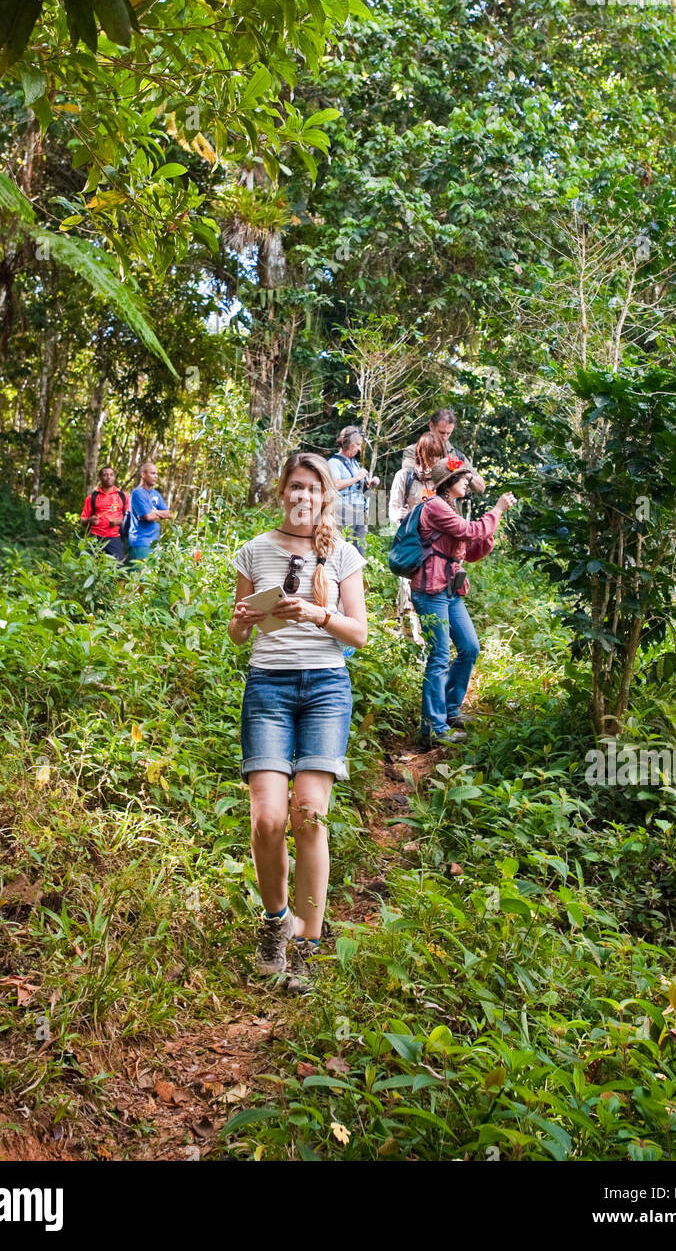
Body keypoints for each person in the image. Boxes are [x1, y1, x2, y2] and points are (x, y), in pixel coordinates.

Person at [227, 451, 368, 993]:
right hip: (268, 689)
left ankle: (307, 943)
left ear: (324, 495)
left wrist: (316, 613)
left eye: (313, 488)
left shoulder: (344, 555)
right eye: (296, 487)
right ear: (282, 493)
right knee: (267, 820)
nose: (303, 497)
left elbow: (358, 634)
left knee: (310, 816)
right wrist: (243, 621)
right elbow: (240, 636)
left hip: (326, 691)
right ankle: (275, 921)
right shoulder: (254, 551)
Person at [410, 454, 516, 747]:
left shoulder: (450, 507)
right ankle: (433, 728)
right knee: (440, 656)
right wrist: (496, 510)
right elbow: (470, 531)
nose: (469, 482)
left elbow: (467, 551)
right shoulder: (433, 507)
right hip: (430, 591)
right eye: (465, 478)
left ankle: (450, 710)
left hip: (450, 590)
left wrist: (487, 536)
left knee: (469, 648)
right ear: (450, 482)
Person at [388, 432, 446, 643]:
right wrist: (402, 516)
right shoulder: (405, 477)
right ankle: (411, 643)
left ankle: (430, 643)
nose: (434, 461)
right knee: (409, 596)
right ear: (421, 454)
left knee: (434, 595)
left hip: (437, 549)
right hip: (412, 547)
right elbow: (392, 511)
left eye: (437, 456)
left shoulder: (443, 479)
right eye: (430, 456)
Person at [401, 407, 486, 496]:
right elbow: (407, 476)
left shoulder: (456, 455)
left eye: (448, 433)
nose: (445, 437)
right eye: (441, 432)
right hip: (419, 504)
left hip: (449, 508)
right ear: (431, 426)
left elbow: (481, 487)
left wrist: (465, 474)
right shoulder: (412, 451)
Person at [328, 425, 379, 556]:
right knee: (343, 549)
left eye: (360, 445)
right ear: (347, 443)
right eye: (356, 444)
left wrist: (371, 484)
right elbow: (335, 484)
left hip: (358, 510)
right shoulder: (334, 462)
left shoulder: (354, 463)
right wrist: (356, 477)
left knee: (358, 551)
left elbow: (362, 490)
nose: (358, 448)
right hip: (342, 511)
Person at [79, 465, 129, 561]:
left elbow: (130, 519)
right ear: (100, 478)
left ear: (114, 477)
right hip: (95, 538)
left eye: (111, 474)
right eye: (105, 475)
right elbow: (82, 521)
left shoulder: (123, 496)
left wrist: (118, 522)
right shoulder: (92, 497)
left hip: (115, 538)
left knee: (117, 569)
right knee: (91, 568)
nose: (109, 477)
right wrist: (90, 520)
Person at [127, 461, 173, 563]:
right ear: (143, 474)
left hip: (154, 541)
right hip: (140, 541)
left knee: (150, 576)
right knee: (140, 576)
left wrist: (155, 512)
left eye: (156, 474)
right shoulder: (138, 493)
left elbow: (168, 514)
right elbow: (148, 517)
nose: (156, 476)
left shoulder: (155, 493)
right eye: (152, 473)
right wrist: (158, 513)